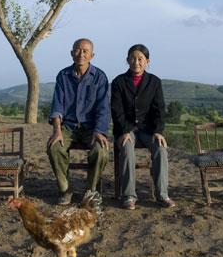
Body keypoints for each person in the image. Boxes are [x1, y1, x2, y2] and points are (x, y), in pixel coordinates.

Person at [111, 44, 175, 209]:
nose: (136, 62)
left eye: (140, 59)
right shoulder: (118, 82)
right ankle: (129, 196)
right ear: (127, 60)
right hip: (126, 129)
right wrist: (124, 131)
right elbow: (117, 111)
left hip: (148, 130)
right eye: (132, 58)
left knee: (160, 149)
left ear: (147, 62)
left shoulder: (154, 82)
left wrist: (159, 132)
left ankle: (162, 195)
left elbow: (159, 110)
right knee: (126, 148)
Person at [47, 38, 111, 205]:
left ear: (92, 55)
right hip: (68, 127)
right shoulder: (63, 76)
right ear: (71, 53)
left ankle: (90, 191)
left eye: (85, 51)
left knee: (101, 150)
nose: (81, 54)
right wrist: (57, 131)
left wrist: (99, 131)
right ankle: (65, 189)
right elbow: (57, 106)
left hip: (91, 128)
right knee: (54, 147)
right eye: (77, 50)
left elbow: (103, 108)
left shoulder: (99, 77)